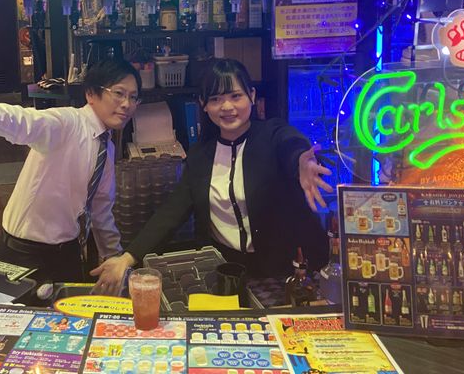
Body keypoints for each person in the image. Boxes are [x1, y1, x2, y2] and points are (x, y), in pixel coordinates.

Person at [92, 58, 331, 295]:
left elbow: (290, 144)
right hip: (226, 273)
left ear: (252, 95)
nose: (227, 106)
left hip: (284, 273)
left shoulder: (272, 135)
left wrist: (302, 161)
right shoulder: (200, 156)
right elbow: (171, 213)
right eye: (215, 99)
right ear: (203, 104)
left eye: (235, 96)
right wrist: (127, 258)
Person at [0, 58, 142, 283]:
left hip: (68, 252)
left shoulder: (106, 147)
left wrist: (115, 259)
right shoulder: (67, 123)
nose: (126, 104)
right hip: (24, 252)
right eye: (119, 93)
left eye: (133, 97)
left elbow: (101, 208)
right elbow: (24, 122)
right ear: (91, 94)